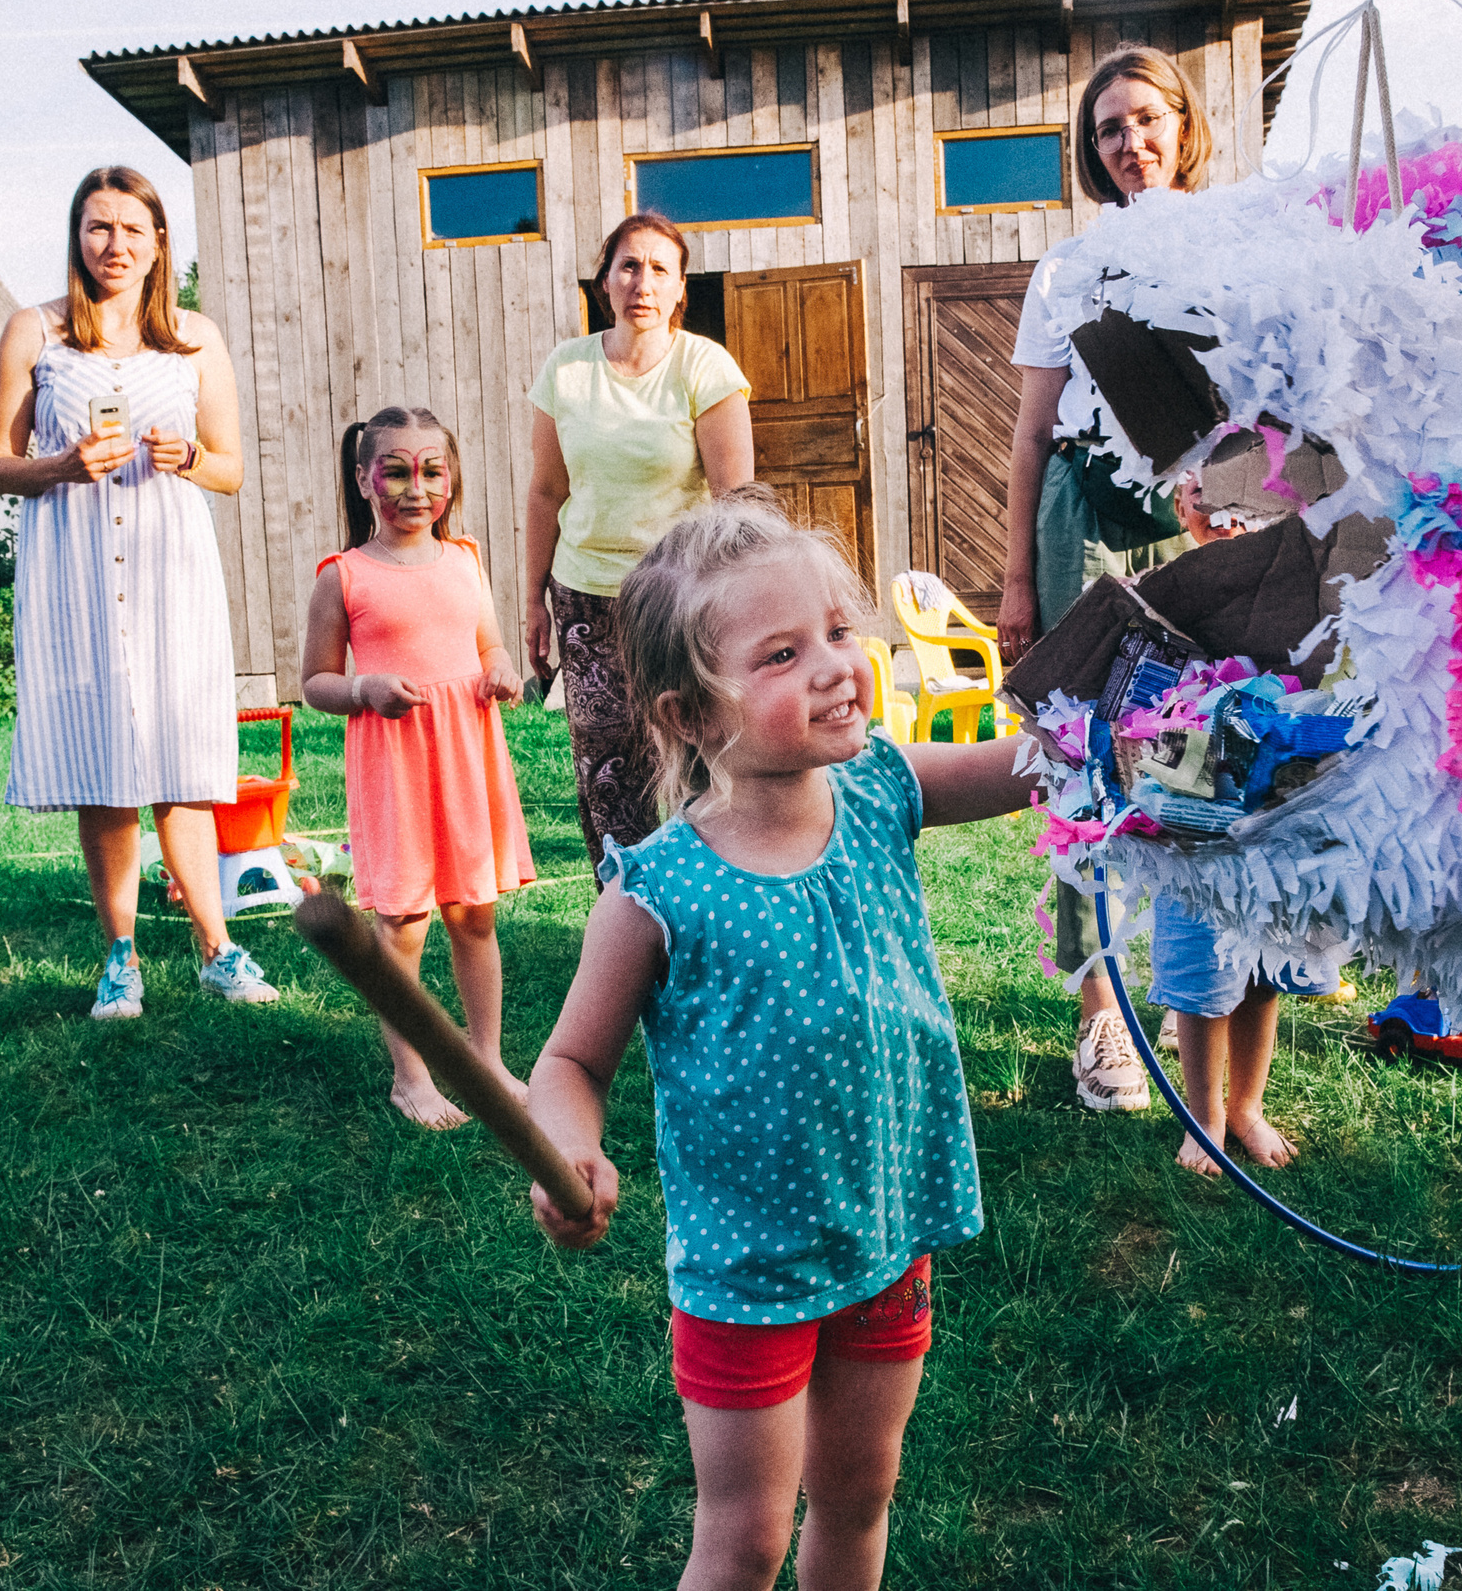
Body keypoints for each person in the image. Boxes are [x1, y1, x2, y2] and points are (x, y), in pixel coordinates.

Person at [527, 491, 1034, 1591]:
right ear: (691, 714)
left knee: (858, 1500)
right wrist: (568, 1143)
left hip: (887, 1231)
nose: (836, 667)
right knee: (746, 1539)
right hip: (747, 1268)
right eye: (781, 654)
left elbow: (1030, 765)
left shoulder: (884, 789)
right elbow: (569, 1062)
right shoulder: (657, 890)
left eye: (839, 632)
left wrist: (1130, 720)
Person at [0, 165, 279, 1018]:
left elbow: (230, 468)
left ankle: (217, 949)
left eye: (131, 230)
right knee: (103, 764)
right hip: (73, 572)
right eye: (98, 227)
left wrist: (189, 456)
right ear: (78, 236)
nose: (114, 245)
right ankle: (121, 957)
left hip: (168, 571)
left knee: (182, 761)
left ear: (158, 245)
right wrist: (61, 465)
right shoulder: (35, 330)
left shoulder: (194, 337)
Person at [998, 45, 1209, 1113]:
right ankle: (1101, 1016)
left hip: (1194, 521)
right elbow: (1031, 435)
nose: (1130, 143)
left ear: (1184, 125)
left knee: (1196, 758)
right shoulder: (1065, 270)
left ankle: (1189, 997)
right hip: (1079, 520)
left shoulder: (1232, 250)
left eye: (1146, 118)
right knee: (1083, 766)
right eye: (1109, 129)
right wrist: (1015, 580)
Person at [299, 409, 535, 1130]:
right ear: (364, 479)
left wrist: (501, 670)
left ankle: (486, 1060)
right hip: (395, 763)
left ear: (451, 477)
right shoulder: (344, 576)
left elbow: (488, 644)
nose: (416, 488)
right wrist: (363, 689)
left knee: (473, 912)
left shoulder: (465, 559)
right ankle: (412, 1077)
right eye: (396, 471)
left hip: (467, 755)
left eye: (432, 471)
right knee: (402, 923)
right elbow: (314, 682)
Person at [523, 212, 755, 858]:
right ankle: (624, 911)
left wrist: (741, 600)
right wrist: (532, 598)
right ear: (605, 280)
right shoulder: (567, 369)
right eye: (628, 266)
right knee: (608, 778)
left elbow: (735, 501)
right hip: (586, 599)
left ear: (681, 288)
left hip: (680, 597)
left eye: (659, 269)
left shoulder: (704, 366)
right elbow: (546, 492)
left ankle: (712, 899)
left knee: (701, 762)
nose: (642, 283)